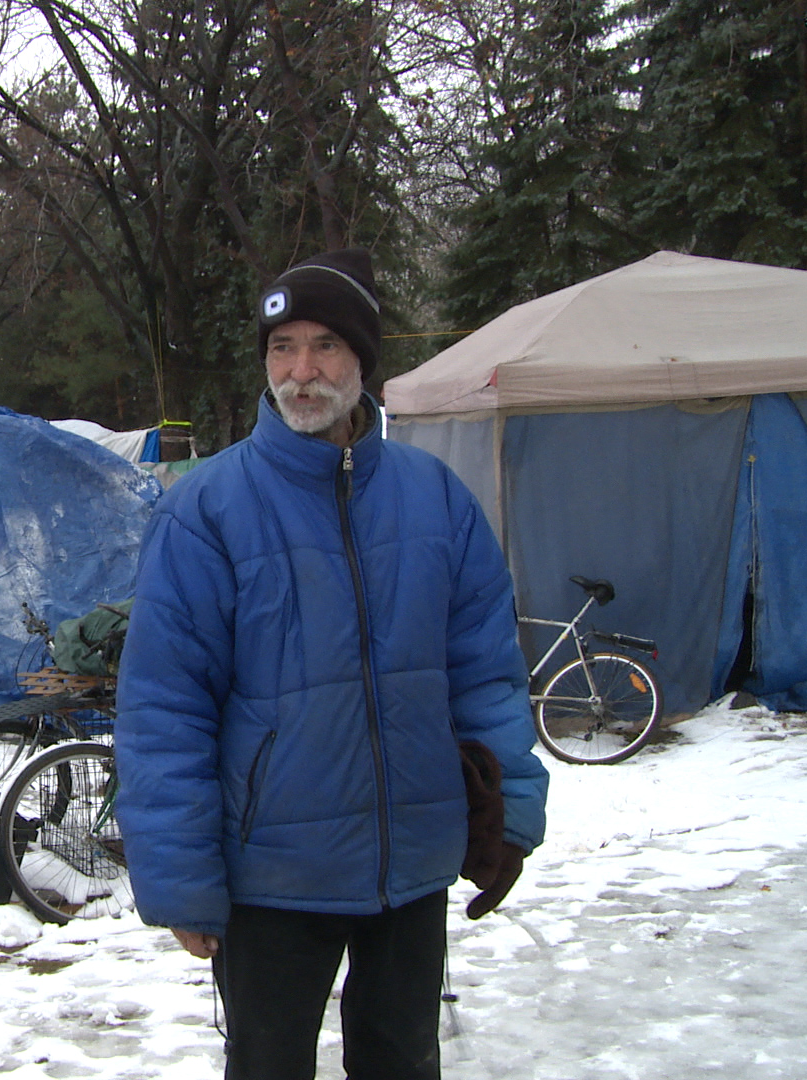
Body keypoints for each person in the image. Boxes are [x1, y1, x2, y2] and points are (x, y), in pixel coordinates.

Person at [112, 248, 549, 1079]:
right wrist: (180, 875)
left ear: (363, 362)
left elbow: (485, 673)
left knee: (403, 1063)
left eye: (325, 348)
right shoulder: (207, 511)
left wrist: (512, 807)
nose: (301, 371)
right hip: (271, 876)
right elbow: (166, 706)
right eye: (283, 348)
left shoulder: (438, 500)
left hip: (411, 865)